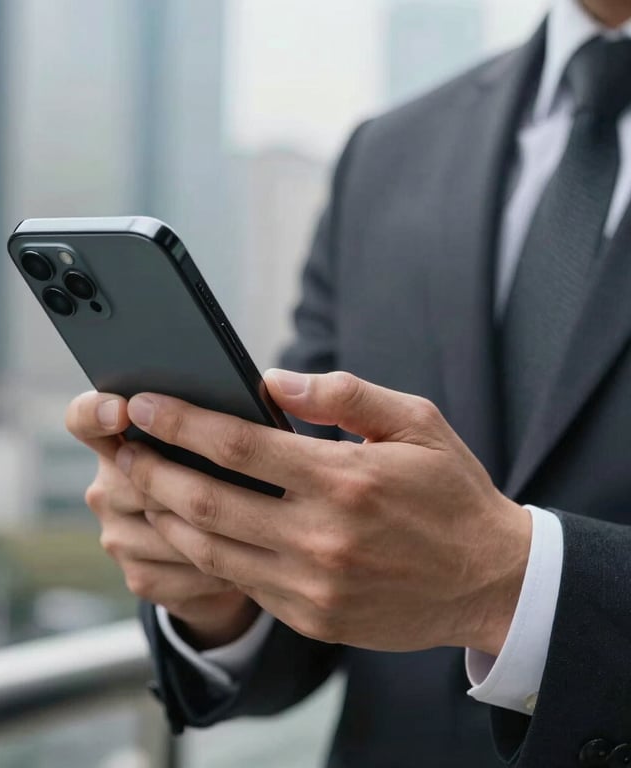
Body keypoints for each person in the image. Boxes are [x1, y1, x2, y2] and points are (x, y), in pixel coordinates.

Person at [66, 0, 631, 765]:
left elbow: (474, 562)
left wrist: (509, 585)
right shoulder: (390, 151)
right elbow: (326, 549)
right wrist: (223, 578)